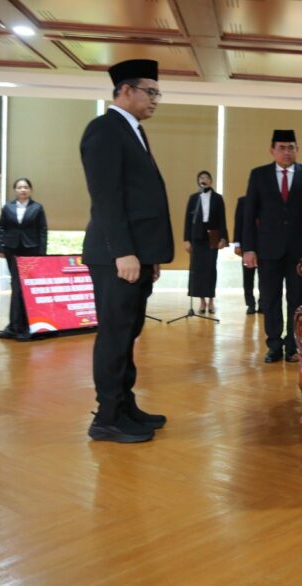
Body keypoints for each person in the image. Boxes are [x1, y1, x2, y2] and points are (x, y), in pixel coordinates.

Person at [81, 59, 173, 444]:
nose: (155, 99)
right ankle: (107, 417)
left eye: (157, 93)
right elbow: (107, 197)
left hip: (136, 255)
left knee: (128, 333)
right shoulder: (104, 129)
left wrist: (148, 257)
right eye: (150, 92)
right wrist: (124, 252)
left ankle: (124, 405)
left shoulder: (131, 130)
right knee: (115, 335)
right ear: (126, 90)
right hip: (115, 256)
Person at [242, 129, 302, 363]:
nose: (286, 152)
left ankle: (294, 345)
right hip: (268, 249)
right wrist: (249, 248)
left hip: (300, 251)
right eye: (281, 147)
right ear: (272, 150)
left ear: (297, 150)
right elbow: (249, 214)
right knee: (270, 298)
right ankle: (274, 345)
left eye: (290, 147)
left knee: (297, 300)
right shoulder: (259, 175)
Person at [0, 177, 48, 340]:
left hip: (31, 250)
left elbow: (43, 231)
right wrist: (0, 248)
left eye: (25, 187)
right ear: (15, 190)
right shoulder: (8, 207)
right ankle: (15, 326)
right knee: (16, 285)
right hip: (11, 250)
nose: (22, 190)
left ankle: (23, 326)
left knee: (25, 287)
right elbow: (1, 228)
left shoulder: (37, 208)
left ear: (30, 190)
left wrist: (42, 253)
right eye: (19, 187)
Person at [182, 170, 227, 314]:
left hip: (212, 236)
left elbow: (222, 219)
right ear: (198, 181)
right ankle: (202, 301)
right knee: (198, 269)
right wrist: (186, 239)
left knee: (210, 269)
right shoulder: (194, 198)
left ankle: (211, 301)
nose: (204, 179)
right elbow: (188, 220)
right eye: (201, 177)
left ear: (211, 181)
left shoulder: (218, 198)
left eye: (207, 177)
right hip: (197, 237)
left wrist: (223, 238)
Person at [232, 196, 262, 314]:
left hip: (265, 245)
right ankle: (250, 304)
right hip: (247, 245)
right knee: (248, 277)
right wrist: (237, 244)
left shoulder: (267, 199)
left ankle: (263, 303)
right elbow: (238, 223)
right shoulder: (243, 201)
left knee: (264, 277)